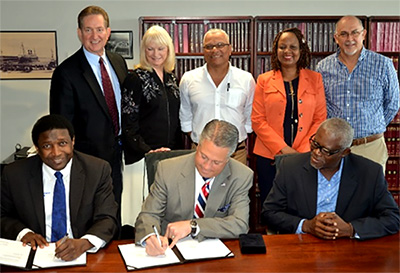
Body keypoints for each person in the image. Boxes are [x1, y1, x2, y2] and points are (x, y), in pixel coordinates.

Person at [1, 115, 118, 261]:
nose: (56, 153)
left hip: (83, 254)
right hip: (36, 254)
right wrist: (23, 233)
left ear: (73, 141)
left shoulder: (97, 170)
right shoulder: (14, 174)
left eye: (62, 143)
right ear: (37, 148)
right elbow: (2, 215)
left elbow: (107, 218)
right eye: (47, 146)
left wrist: (84, 243)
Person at [262, 118, 400, 240]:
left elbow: (393, 218)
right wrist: (306, 225)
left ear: (344, 153)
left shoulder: (369, 173)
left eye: (325, 151)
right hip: (303, 246)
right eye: (315, 144)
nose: (316, 153)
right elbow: (269, 213)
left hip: (350, 250)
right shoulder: (290, 167)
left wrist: (350, 229)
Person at [49, 6, 128, 212]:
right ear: (79, 33)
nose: (95, 36)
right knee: (89, 213)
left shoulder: (118, 63)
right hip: (85, 160)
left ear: (108, 32)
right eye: (88, 30)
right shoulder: (66, 72)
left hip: (116, 153)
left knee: (114, 207)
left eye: (100, 29)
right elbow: (60, 125)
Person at [135, 119, 253, 256]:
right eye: (203, 156)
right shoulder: (167, 169)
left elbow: (239, 224)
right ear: (198, 146)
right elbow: (149, 214)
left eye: (216, 162)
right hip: (170, 251)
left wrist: (193, 226)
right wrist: (150, 238)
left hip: (215, 254)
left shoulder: (241, 176)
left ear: (228, 159)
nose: (207, 166)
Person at [251, 28, 326, 204]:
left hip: (306, 154)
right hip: (269, 156)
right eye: (282, 47)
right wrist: (284, 150)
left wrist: (299, 153)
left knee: (301, 202)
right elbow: (257, 120)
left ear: (302, 51)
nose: (287, 51)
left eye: (293, 47)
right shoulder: (263, 80)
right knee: (271, 203)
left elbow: (319, 119)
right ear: (276, 51)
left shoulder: (315, 79)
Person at [316, 16, 400, 172]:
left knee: (371, 195)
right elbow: (322, 105)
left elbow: (393, 103)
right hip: (335, 149)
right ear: (336, 38)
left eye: (355, 33)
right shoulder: (323, 67)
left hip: (371, 147)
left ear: (364, 34)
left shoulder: (383, 64)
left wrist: (373, 125)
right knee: (337, 195)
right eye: (344, 34)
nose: (350, 39)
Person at [179, 28, 255, 165]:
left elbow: (250, 116)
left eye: (220, 45)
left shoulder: (246, 79)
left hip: (236, 154)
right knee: (200, 187)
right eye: (209, 46)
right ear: (203, 51)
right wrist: (199, 139)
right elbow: (185, 117)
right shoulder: (189, 79)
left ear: (230, 49)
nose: (215, 50)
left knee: (237, 187)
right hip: (201, 154)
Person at [121, 25, 182, 165]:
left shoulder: (172, 79)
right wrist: (147, 151)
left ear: (168, 50)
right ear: (144, 50)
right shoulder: (135, 79)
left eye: (160, 48)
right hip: (145, 156)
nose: (156, 54)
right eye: (150, 49)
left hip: (172, 154)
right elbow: (128, 124)